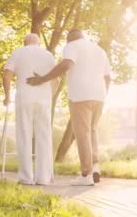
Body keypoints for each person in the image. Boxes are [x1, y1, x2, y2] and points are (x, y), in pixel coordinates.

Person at [27, 29, 111, 186]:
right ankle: (95, 166)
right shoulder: (99, 50)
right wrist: (104, 95)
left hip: (81, 95)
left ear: (69, 39)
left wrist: (43, 79)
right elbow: (108, 77)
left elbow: (66, 64)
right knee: (91, 130)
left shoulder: (72, 46)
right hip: (99, 96)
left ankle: (86, 174)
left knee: (82, 134)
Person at [3, 33, 58, 185]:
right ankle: (44, 178)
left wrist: (7, 95)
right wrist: (50, 97)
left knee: (24, 136)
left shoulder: (18, 52)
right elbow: (56, 79)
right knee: (44, 137)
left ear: (24, 42)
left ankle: (26, 178)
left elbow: (7, 75)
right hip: (43, 100)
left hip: (24, 98)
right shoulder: (48, 55)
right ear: (38, 43)